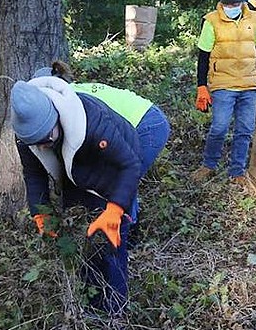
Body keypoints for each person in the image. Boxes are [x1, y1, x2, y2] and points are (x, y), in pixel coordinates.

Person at [11, 76, 165, 314]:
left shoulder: (91, 120)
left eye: (46, 140)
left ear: (56, 117)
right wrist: (40, 213)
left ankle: (115, 310)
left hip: (135, 136)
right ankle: (91, 301)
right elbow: (34, 174)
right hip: (81, 155)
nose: (42, 147)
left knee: (109, 228)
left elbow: (129, 165)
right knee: (83, 227)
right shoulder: (27, 132)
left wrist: (114, 209)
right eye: (35, 143)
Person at [191, 0, 256, 184]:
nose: (231, 9)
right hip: (223, 84)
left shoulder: (254, 19)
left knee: (245, 130)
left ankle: (237, 171)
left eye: (234, 5)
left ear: (241, 2)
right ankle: (208, 165)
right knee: (219, 127)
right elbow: (203, 56)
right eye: (227, 6)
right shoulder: (211, 21)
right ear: (222, 4)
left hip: (250, 84)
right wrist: (202, 86)